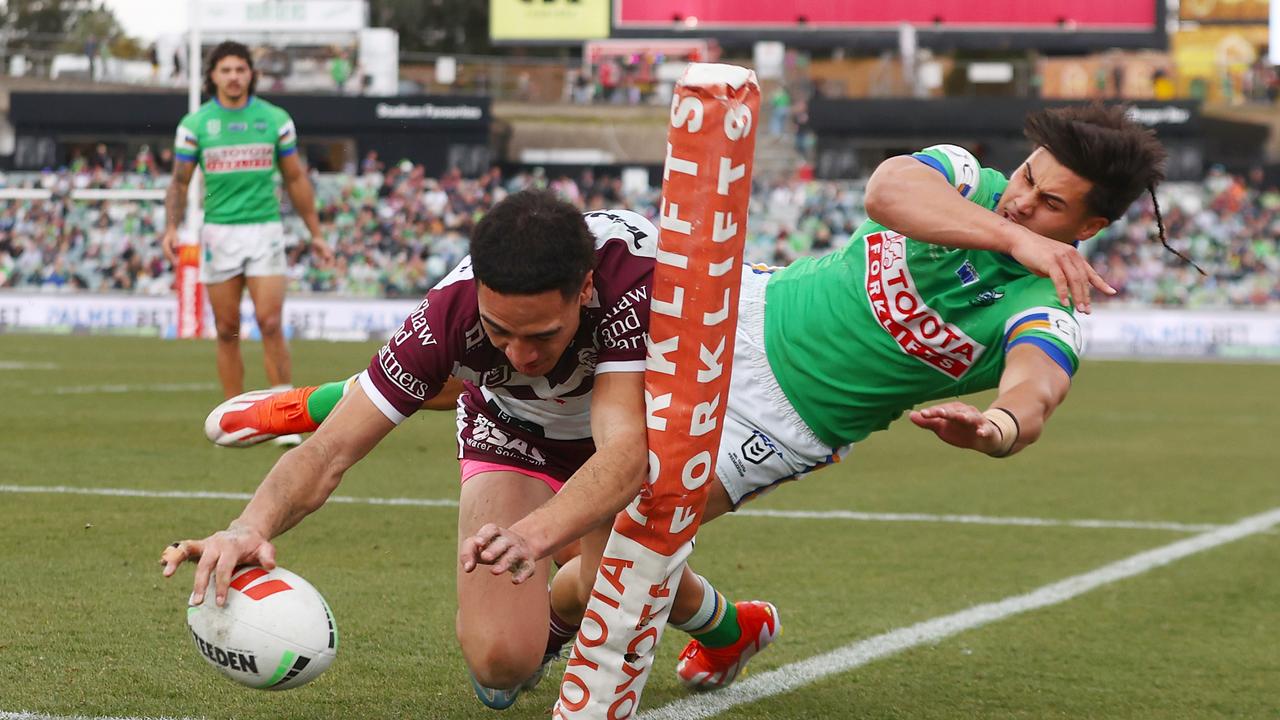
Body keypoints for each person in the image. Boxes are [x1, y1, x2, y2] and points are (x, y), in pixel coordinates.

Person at [170, 105, 1149, 706]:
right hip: (731, 316)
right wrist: (1011, 232)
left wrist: (1000, 427)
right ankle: (346, 396)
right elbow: (888, 192)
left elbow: (1036, 385)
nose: (1020, 203)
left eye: (1049, 206)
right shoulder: (959, 184)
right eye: (1027, 180)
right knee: (530, 355)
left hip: (775, 426)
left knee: (590, 574)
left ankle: (723, 624)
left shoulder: (1042, 307)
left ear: (1091, 228)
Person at [161, 41, 332, 417]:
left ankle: (285, 414)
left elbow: (295, 178)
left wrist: (315, 233)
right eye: (226, 70)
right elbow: (179, 181)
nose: (234, 77)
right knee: (227, 328)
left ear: (251, 74)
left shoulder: (274, 120)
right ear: (213, 76)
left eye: (241, 69)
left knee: (270, 322)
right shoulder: (195, 125)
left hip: (264, 230)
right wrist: (171, 226)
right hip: (219, 232)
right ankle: (235, 417)